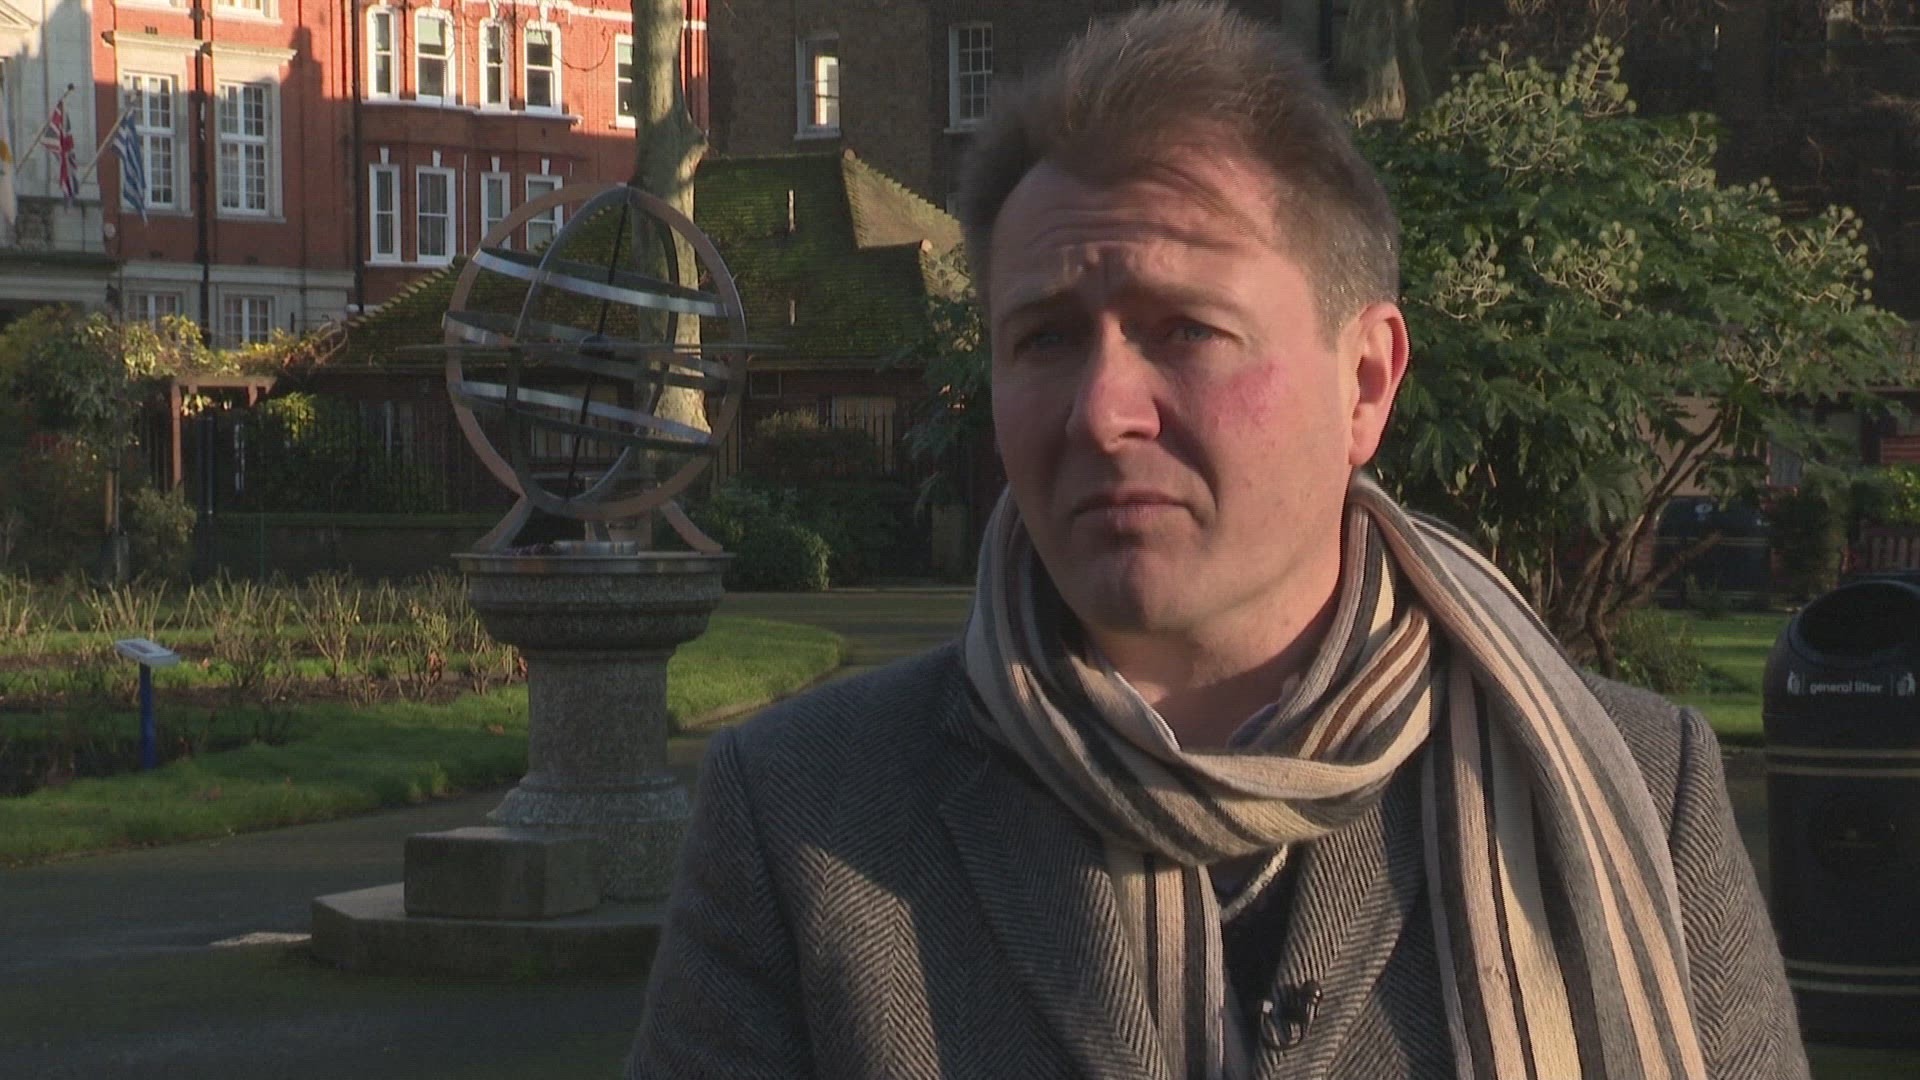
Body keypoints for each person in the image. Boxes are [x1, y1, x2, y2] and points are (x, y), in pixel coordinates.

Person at [628, 3, 1805, 1077]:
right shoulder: (805, 817)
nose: (1103, 411)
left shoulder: (1642, 791)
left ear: (1365, 381)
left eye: (1185, 329)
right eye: (1045, 340)